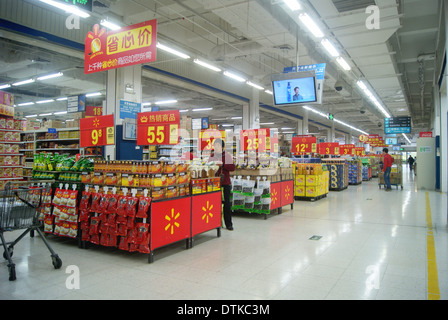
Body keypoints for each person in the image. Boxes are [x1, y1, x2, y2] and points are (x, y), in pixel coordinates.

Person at [209, 138, 236, 230]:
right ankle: (215, 224)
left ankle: (229, 224)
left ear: (222, 147)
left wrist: (223, 165)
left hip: (225, 184)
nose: (216, 147)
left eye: (218, 145)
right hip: (214, 184)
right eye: (215, 145)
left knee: (227, 204)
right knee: (215, 204)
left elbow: (232, 168)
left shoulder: (227, 156)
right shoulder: (212, 156)